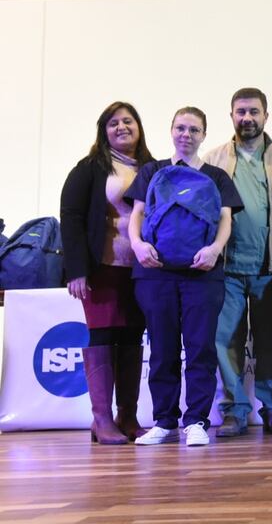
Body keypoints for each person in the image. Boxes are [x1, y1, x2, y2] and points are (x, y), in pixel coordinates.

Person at [126, 107, 243, 446]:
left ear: (204, 135)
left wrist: (215, 250)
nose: (186, 135)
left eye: (194, 130)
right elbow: (138, 213)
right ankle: (164, 421)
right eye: (181, 128)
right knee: (161, 349)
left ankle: (196, 421)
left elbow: (226, 220)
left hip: (202, 272)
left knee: (200, 348)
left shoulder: (217, 177)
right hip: (154, 272)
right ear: (171, 131)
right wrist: (137, 245)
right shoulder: (152, 171)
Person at [60, 101, 154, 444]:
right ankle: (101, 420)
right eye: (113, 123)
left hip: (141, 270)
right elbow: (70, 219)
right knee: (102, 336)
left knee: (131, 338)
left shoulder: (150, 167)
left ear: (139, 127)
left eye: (128, 121)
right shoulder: (89, 169)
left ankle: (127, 416)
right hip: (100, 269)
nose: (121, 127)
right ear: (104, 131)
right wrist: (76, 271)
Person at [203, 88, 272, 437]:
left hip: (270, 267)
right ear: (231, 116)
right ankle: (234, 411)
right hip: (226, 268)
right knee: (224, 339)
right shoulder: (213, 159)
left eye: (254, 112)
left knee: (271, 342)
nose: (248, 118)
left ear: (266, 116)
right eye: (241, 112)